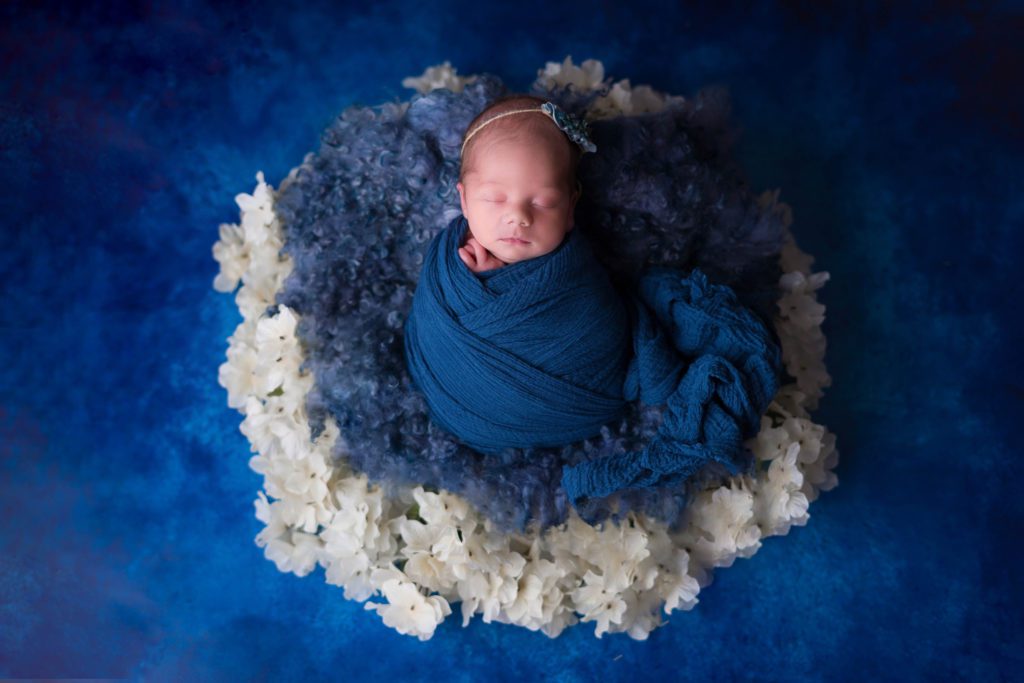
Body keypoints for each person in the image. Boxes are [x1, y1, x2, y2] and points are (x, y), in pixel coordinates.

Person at [455, 94, 590, 272]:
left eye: (544, 202)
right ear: (464, 201)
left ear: (569, 209)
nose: (518, 216)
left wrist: (492, 280)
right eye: (494, 198)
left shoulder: (577, 271)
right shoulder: (448, 257)